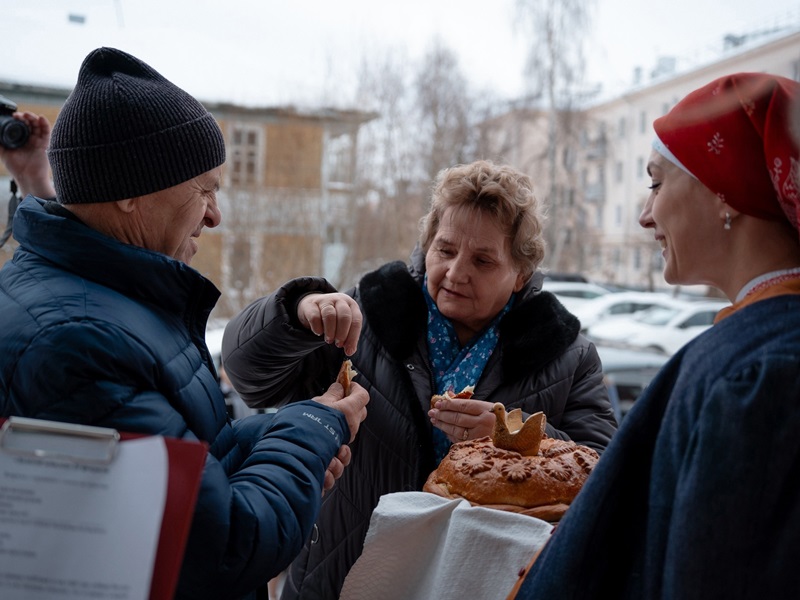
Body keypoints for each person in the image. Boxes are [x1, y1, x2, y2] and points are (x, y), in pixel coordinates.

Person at [0, 47, 369, 600]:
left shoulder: (95, 297)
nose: (216, 215)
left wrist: (269, 434)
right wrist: (310, 432)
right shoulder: (79, 343)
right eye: (205, 188)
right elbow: (222, 545)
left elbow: (171, 469)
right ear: (129, 193)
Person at [222, 159, 618, 599]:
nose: (456, 272)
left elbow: (605, 473)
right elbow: (250, 376)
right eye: (445, 250)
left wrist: (514, 440)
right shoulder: (366, 315)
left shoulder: (567, 354)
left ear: (520, 275)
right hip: (339, 578)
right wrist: (295, 311)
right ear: (426, 245)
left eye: (483, 260)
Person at [512, 72, 800, 599]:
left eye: (656, 182)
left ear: (724, 191)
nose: (645, 215)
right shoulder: (754, 353)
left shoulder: (763, 373)